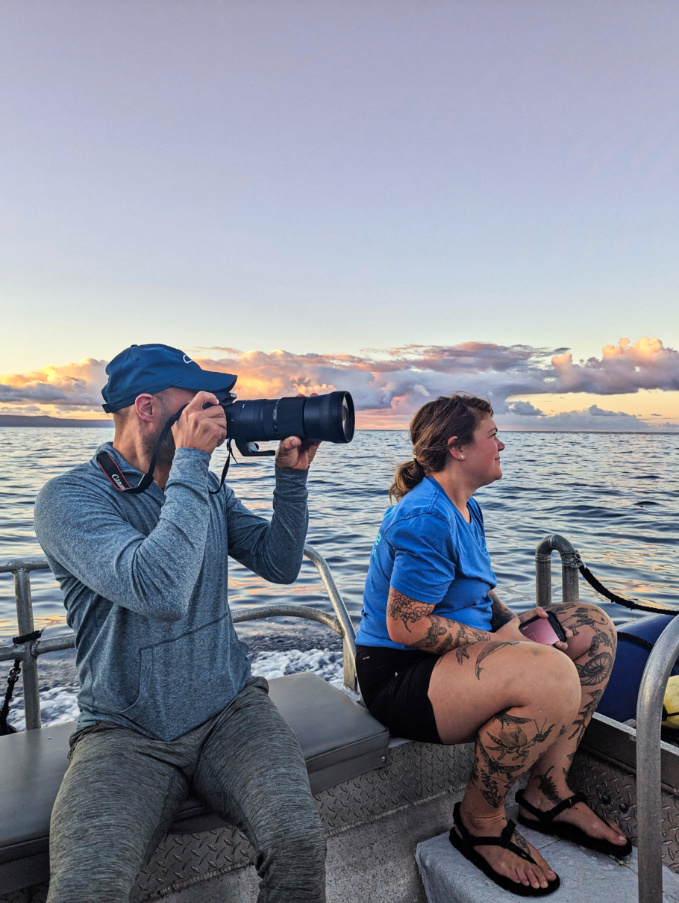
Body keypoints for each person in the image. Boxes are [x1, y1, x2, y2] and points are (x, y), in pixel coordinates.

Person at [34, 343, 326, 903]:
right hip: (124, 732)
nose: (215, 410)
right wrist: (192, 464)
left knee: (300, 843)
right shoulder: (69, 500)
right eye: (199, 400)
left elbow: (279, 563)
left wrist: (291, 480)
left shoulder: (206, 487)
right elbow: (158, 589)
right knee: (83, 892)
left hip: (229, 711)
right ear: (147, 408)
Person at [354, 393, 631, 897]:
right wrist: (500, 643)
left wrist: (513, 621)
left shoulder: (466, 507)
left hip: (456, 657)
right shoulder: (425, 518)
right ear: (457, 448)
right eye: (493, 434)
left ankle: (546, 792)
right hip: (403, 675)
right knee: (550, 675)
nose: (502, 443)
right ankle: (479, 820)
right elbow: (405, 626)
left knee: (594, 627)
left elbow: (475, 590)